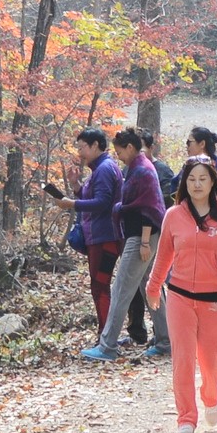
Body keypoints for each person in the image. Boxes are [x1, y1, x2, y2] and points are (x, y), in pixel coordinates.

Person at [159, 158, 217, 433]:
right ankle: (185, 419)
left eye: (202, 179)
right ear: (185, 182)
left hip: (213, 300)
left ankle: (211, 398)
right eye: (191, 179)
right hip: (180, 296)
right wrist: (153, 285)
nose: (197, 184)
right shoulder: (173, 215)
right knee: (182, 359)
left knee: (210, 361)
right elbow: (164, 255)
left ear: (212, 183)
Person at [43, 128, 127, 357]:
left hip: (106, 237)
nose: (79, 153)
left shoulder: (105, 169)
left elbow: (102, 203)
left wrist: (72, 203)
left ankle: (106, 339)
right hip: (98, 237)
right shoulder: (98, 169)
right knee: (99, 286)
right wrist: (77, 188)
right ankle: (107, 335)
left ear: (96, 145)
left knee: (100, 287)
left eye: (82, 147)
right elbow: (94, 198)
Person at [101, 126, 170, 359]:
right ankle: (166, 339)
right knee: (150, 286)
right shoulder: (135, 167)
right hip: (141, 235)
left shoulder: (142, 170)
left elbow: (148, 209)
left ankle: (107, 345)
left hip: (142, 236)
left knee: (121, 288)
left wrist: (143, 243)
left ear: (130, 147)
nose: (117, 155)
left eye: (119, 151)